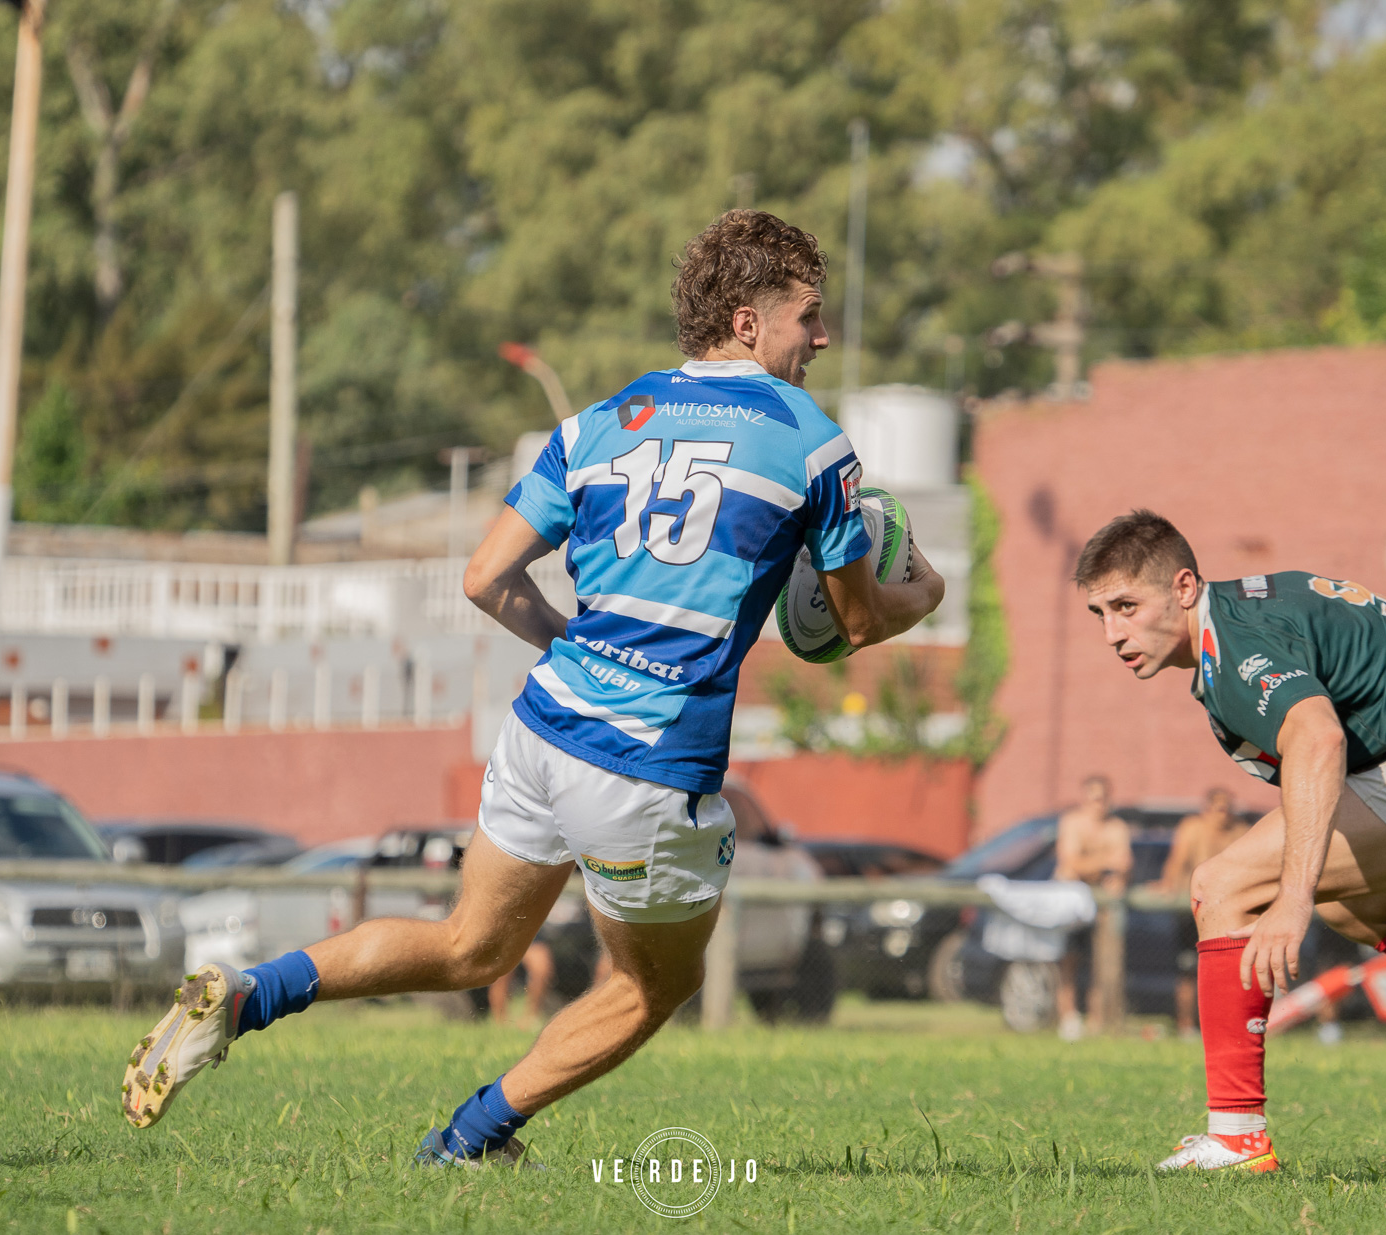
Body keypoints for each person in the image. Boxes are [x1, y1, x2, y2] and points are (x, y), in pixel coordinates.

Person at [118, 210, 945, 1164]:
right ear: (749, 323)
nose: (824, 337)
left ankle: (252, 992)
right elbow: (850, 623)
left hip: (542, 731)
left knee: (469, 943)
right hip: (643, 765)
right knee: (648, 988)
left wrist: (577, 649)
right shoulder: (811, 440)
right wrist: (921, 591)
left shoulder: (601, 420)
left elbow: (484, 577)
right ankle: (467, 1141)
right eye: (810, 315)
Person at [1076, 510, 1386, 1174]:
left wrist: (1291, 897)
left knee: (1221, 885)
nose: (1112, 632)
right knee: (1358, 908)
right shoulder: (1243, 620)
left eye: (1126, 605)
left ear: (1186, 586)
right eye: (1099, 613)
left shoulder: (1241, 646)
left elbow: (1319, 740)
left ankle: (1237, 1137)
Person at [1151, 788, 1248, 1039]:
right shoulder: (1193, 828)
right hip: (1193, 913)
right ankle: (1186, 1025)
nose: (1223, 815)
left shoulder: (1240, 831)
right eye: (1219, 808)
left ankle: (1227, 1025)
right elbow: (1177, 861)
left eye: (1228, 808)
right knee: (1188, 969)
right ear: (1207, 809)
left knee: (1228, 972)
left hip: (1227, 916)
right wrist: (1168, 883)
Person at [1051, 775, 1133, 1040]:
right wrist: (1104, 863)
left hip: (1103, 907)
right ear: (1085, 799)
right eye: (1094, 798)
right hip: (1072, 902)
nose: (1099, 804)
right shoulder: (1072, 822)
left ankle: (1098, 1020)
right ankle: (1069, 1018)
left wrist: (1091, 865)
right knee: (1069, 961)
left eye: (1103, 798)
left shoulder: (1117, 827)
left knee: (1102, 965)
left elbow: (1124, 864)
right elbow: (1070, 862)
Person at [488, 939, 555, 1028]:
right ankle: (500, 1023)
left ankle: (530, 1019)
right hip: (506, 938)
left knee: (542, 970)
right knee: (500, 977)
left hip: (533, 938)